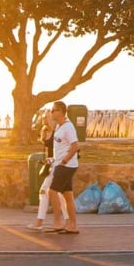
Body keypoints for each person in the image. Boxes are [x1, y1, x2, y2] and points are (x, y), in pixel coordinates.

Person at [47, 100, 81, 234]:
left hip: (66, 165)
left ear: (60, 111)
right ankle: (72, 225)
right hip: (60, 164)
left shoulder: (68, 127)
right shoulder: (58, 126)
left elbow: (75, 146)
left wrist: (64, 161)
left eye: (53, 110)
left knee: (52, 192)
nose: (51, 112)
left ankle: (58, 221)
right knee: (68, 195)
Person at [28, 114, 66, 231]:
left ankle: (39, 222)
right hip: (51, 164)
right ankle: (67, 219)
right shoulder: (49, 131)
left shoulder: (57, 132)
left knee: (44, 191)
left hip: (56, 164)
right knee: (58, 193)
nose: (43, 120)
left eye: (45, 119)